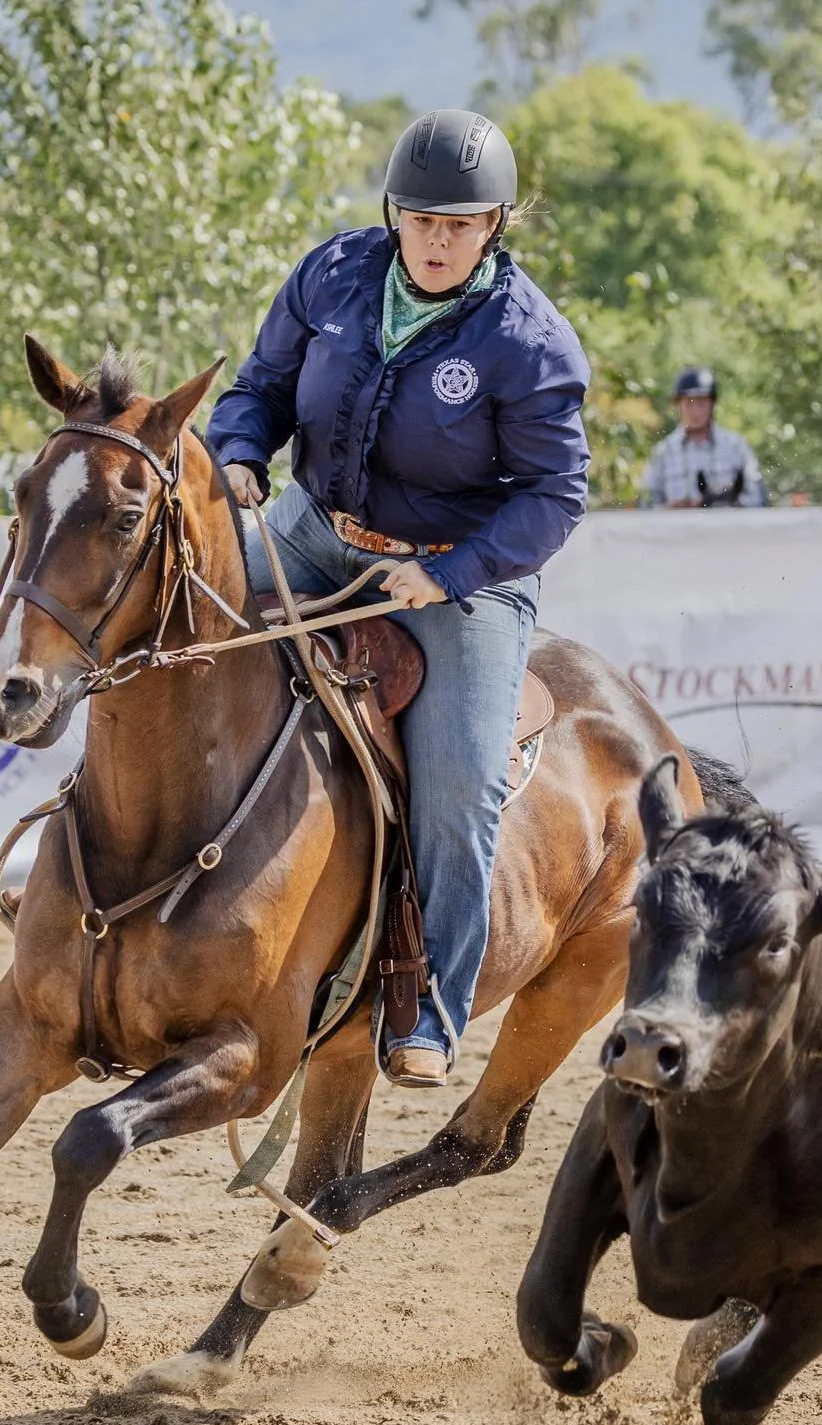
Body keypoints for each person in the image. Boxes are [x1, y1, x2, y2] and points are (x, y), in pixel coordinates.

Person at [206, 108, 591, 1089]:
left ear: (494, 223)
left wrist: (451, 571)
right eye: (421, 219)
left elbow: (556, 496)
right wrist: (241, 453)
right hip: (313, 531)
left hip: (457, 575)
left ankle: (429, 1003)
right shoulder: (330, 276)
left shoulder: (530, 342)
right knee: (178, 644)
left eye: (459, 223)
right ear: (393, 212)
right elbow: (256, 387)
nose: (437, 239)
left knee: (462, 782)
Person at [639, 366, 768, 508]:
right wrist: (673, 509)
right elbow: (647, 506)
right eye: (689, 403)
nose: (695, 411)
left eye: (701, 403)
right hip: (678, 529)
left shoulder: (737, 447)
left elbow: (758, 500)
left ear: (713, 404)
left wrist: (730, 504)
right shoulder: (663, 453)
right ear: (678, 405)